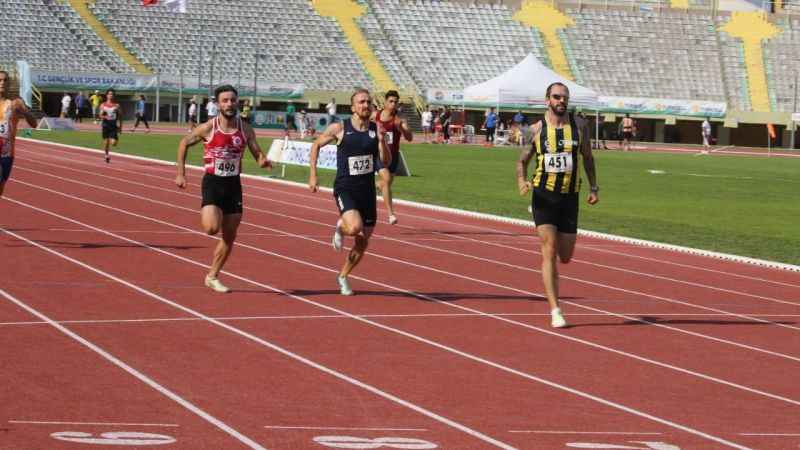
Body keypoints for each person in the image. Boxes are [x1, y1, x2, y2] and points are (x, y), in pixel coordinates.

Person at [516, 82, 599, 328]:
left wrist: (594, 187)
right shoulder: (536, 129)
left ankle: (555, 306)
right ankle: (555, 309)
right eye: (556, 97)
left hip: (570, 197)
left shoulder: (580, 126)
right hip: (543, 195)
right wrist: (522, 181)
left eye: (564, 97)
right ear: (547, 100)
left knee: (566, 256)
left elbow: (588, 158)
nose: (561, 100)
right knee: (548, 249)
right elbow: (521, 161)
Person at [175, 84, 272, 293]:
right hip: (213, 182)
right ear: (218, 104)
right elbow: (183, 143)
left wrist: (263, 161)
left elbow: (257, 154)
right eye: (225, 100)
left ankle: (212, 275)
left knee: (229, 236)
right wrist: (181, 173)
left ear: (237, 102)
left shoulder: (245, 129)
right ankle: (211, 215)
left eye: (232, 100)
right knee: (211, 228)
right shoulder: (209, 127)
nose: (229, 104)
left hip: (233, 185)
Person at [308, 88, 390, 296]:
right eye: (361, 102)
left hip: (367, 192)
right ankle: (341, 227)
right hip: (346, 187)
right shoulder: (339, 128)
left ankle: (343, 276)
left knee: (363, 241)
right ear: (353, 107)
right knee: (354, 228)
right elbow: (316, 145)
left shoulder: (375, 130)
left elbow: (386, 161)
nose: (365, 105)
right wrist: (313, 174)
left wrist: (382, 141)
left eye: (368, 102)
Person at [373, 90, 412, 225]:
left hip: (393, 156)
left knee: (385, 184)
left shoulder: (399, 119)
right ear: (385, 102)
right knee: (387, 179)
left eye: (395, 102)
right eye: (390, 101)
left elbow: (410, 138)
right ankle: (391, 214)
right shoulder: (375, 116)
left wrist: (403, 129)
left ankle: (368, 188)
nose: (393, 104)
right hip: (379, 154)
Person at [0, 70, 38, 198]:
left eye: (5, 80)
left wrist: (24, 111)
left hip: (7, 153)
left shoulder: (15, 103)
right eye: (0, 80)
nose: (2, 83)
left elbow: (34, 124)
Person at [99, 89, 122, 164]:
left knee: (113, 143)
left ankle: (112, 142)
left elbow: (120, 116)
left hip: (113, 126)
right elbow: (100, 115)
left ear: (114, 95)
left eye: (112, 94)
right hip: (105, 125)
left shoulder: (117, 105)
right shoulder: (103, 105)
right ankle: (106, 155)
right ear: (107, 95)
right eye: (109, 94)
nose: (110, 95)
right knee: (106, 143)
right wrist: (105, 117)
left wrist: (120, 127)